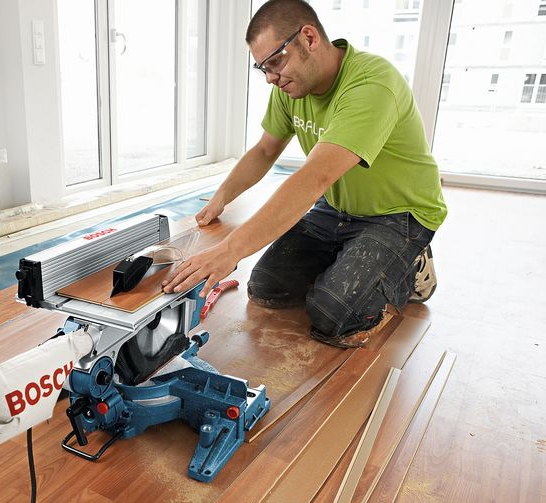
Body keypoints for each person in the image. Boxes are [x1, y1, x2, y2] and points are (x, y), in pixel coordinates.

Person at [162, 0, 447, 348]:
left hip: (397, 215)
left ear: (309, 38)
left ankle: (409, 265)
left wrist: (230, 250)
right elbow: (266, 150)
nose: (270, 78)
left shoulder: (372, 83)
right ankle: (357, 258)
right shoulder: (292, 88)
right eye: (261, 68)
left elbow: (315, 178)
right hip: (337, 209)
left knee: (334, 316)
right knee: (266, 287)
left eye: (275, 62)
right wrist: (220, 198)